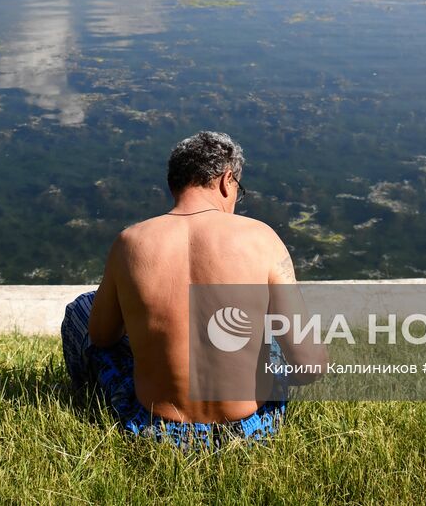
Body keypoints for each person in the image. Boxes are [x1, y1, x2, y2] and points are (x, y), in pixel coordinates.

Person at [61, 131, 323, 448]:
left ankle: (83, 396)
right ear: (227, 181)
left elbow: (102, 338)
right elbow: (309, 368)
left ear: (175, 184)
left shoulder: (130, 241)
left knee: (82, 308)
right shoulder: (261, 238)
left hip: (156, 430)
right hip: (250, 430)